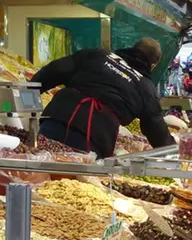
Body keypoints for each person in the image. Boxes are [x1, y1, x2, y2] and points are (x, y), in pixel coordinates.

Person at [31, 39, 175, 158]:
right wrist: (173, 153)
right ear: (153, 65)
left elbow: (55, 70)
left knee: (39, 164)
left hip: (56, 118)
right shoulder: (145, 87)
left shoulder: (97, 54)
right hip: (94, 136)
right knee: (70, 177)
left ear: (133, 48)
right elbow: (157, 130)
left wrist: (29, 93)